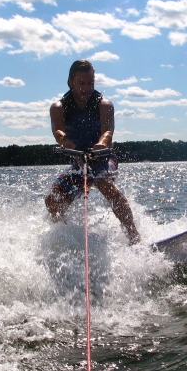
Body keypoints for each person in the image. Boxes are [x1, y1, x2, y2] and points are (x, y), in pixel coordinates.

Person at [45, 59, 141, 245]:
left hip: (104, 158)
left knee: (103, 182)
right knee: (52, 200)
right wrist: (65, 141)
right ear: (70, 82)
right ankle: (67, 238)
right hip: (80, 163)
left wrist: (101, 143)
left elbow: (107, 132)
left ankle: (134, 238)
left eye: (90, 83)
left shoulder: (104, 105)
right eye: (81, 83)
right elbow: (58, 131)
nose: (86, 88)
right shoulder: (58, 107)